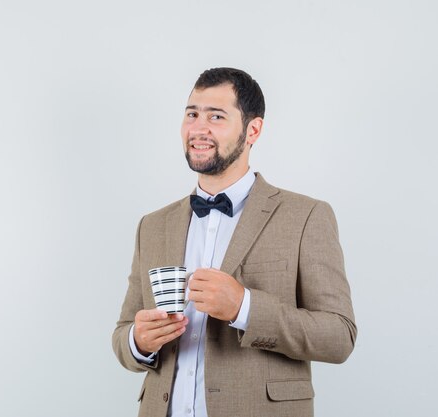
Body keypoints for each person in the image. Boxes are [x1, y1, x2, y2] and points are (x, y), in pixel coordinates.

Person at [112, 67, 357, 417]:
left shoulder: (306, 216)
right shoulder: (152, 226)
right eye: (192, 114)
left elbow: (339, 336)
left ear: (252, 130)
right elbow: (123, 333)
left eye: (216, 116)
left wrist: (245, 308)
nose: (199, 128)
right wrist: (138, 343)